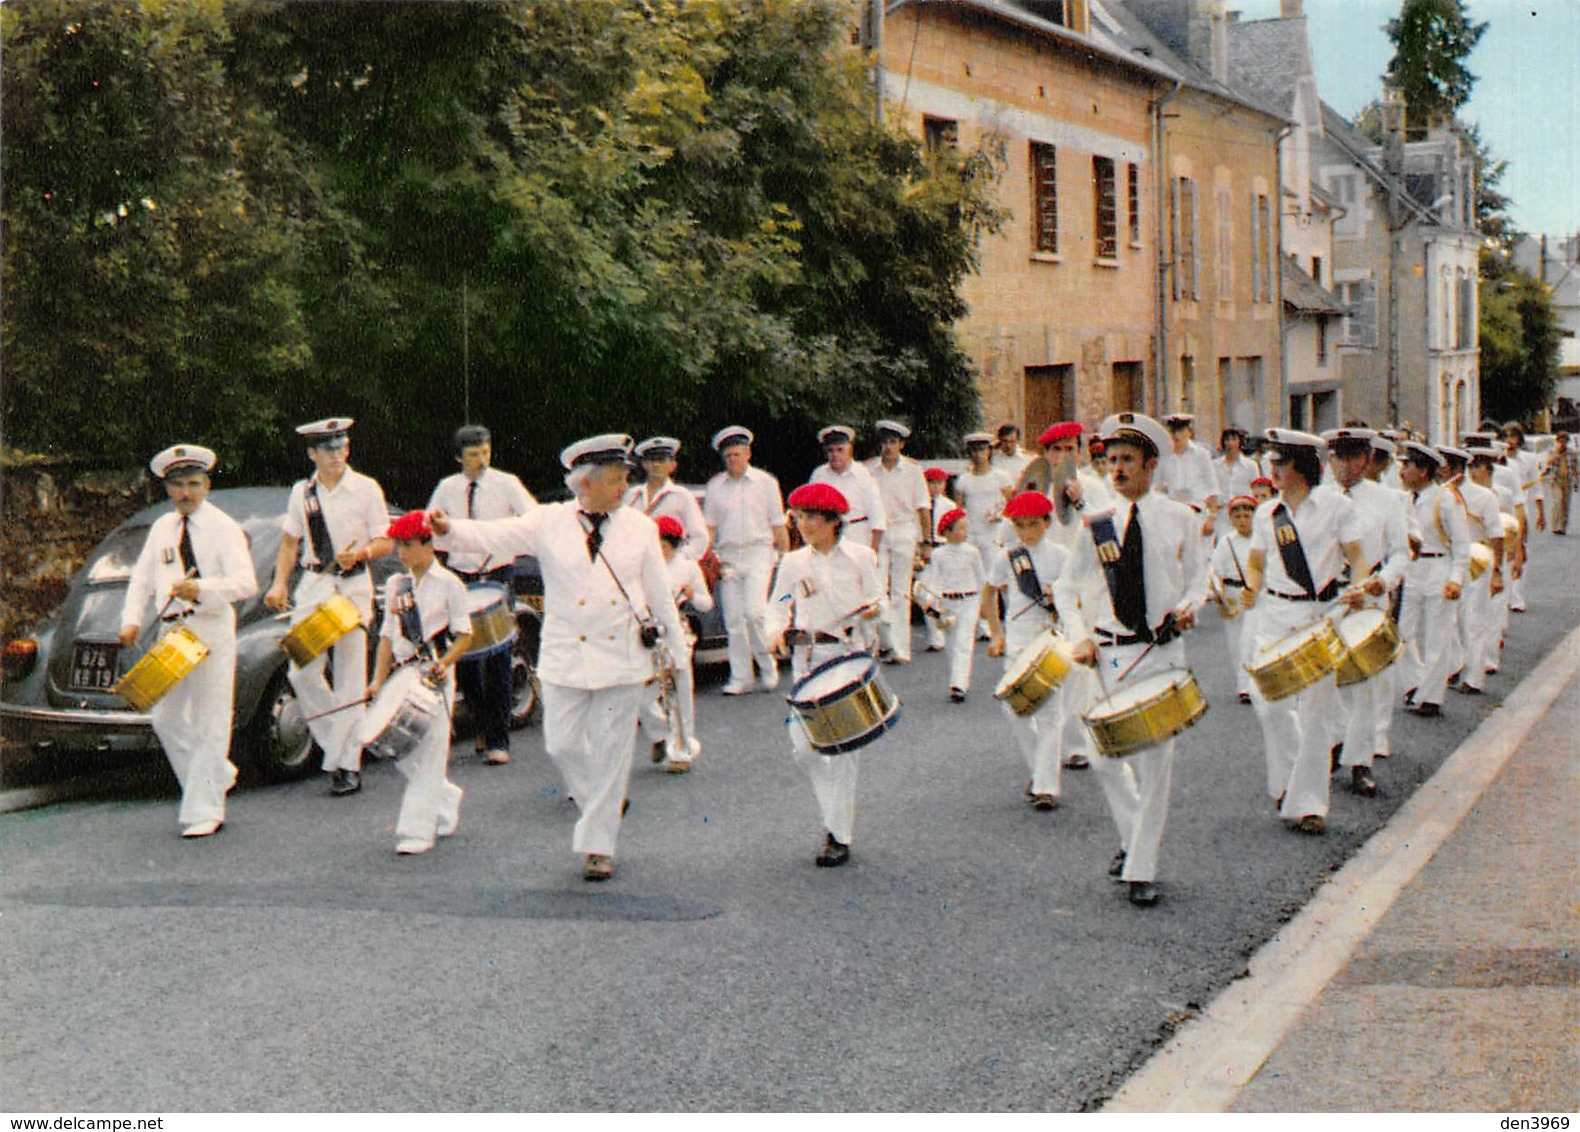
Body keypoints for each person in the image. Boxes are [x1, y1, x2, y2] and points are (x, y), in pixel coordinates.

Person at [432, 434, 686, 882]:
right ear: (583, 484)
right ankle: (602, 806)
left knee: (611, 752)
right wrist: (449, 529)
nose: (623, 487)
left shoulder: (641, 527)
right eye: (613, 480)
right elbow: (496, 532)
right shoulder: (549, 521)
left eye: (625, 478)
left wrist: (677, 651)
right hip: (567, 654)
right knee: (562, 744)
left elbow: (659, 592)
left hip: (621, 655)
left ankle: (598, 846)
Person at [1053, 412, 1206, 906]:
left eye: (1127, 460)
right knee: (1102, 758)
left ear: (1150, 464)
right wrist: (1077, 634)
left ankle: (1141, 868)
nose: (1116, 469)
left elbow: (1202, 580)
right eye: (1111, 460)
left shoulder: (1182, 518)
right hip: (1108, 655)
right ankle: (1132, 835)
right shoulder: (1096, 525)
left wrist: (1190, 608)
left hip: (1159, 652)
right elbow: (1067, 586)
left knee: (1156, 764)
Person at [118, 445, 257, 838]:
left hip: (210, 625)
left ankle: (204, 809)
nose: (186, 493)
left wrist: (201, 589)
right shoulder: (162, 528)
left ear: (207, 485)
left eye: (194, 484)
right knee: (166, 717)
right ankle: (217, 773)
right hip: (173, 632)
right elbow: (142, 579)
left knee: (212, 719)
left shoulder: (223, 527)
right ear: (167, 488)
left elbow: (245, 583)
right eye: (177, 485)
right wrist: (130, 621)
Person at [1240, 429, 1370, 835]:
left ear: (1301, 464)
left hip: (1320, 614)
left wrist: (1360, 588)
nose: (1272, 469)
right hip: (1275, 613)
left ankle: (1310, 803)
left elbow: (1358, 557)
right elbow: (1258, 562)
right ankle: (1288, 780)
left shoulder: (1335, 506)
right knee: (1270, 704)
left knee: (1317, 713)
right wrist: (1250, 585)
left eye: (1280, 462)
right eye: (1272, 462)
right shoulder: (1266, 514)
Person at [264, 418, 393, 797]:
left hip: (352, 586)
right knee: (302, 670)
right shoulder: (301, 492)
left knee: (351, 676)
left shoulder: (366, 488)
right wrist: (279, 582)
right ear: (313, 454)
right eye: (329, 449)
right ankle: (339, 746)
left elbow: (386, 541)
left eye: (342, 446)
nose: (338, 454)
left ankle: (346, 765)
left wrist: (364, 553)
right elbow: (290, 543)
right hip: (315, 584)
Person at [766, 483, 884, 868]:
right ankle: (835, 824)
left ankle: (837, 834)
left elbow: (880, 600)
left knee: (844, 752)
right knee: (806, 749)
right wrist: (774, 633)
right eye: (798, 517)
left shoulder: (861, 557)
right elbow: (779, 604)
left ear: (834, 521)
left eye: (811, 517)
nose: (803, 525)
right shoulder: (793, 562)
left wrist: (872, 612)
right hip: (808, 658)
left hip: (848, 656)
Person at [428, 424, 537, 766]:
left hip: (497, 572)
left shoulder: (506, 483)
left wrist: (510, 543)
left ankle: (498, 738)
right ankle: (481, 724)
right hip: (461, 576)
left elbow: (533, 519)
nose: (481, 460)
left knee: (499, 655)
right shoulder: (447, 488)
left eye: (486, 452)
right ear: (459, 457)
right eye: (474, 454)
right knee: (466, 658)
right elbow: (431, 525)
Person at [367, 511, 473, 855]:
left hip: (435, 674)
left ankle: (416, 831)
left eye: (408, 545)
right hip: (403, 674)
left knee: (429, 753)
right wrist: (377, 681)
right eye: (398, 545)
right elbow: (386, 636)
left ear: (429, 545)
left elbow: (464, 636)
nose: (401, 553)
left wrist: (443, 665)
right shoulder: (397, 584)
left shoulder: (450, 585)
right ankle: (445, 798)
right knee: (404, 753)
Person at [1320, 428, 1410, 794]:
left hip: (1368, 597)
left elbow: (1402, 553)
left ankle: (1360, 761)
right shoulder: (1317, 497)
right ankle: (1330, 745)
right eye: (1339, 457)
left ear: (1367, 459)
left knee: (1368, 684)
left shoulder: (1388, 501)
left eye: (1354, 457)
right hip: (1328, 599)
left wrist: (1382, 582)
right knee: (1326, 681)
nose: (1346, 465)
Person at [984, 491, 1071, 811]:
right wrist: (996, 634)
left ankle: (1046, 786)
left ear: (1047, 523)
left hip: (1050, 638)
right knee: (1014, 711)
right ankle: (1040, 769)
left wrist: (1057, 598)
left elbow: (1076, 599)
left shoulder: (1061, 556)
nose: (1027, 532)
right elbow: (989, 593)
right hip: (1018, 640)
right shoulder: (1007, 557)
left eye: (1033, 524)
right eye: (1020, 525)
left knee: (1050, 715)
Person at [703, 426, 789, 695]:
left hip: (758, 553)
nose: (733, 460)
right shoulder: (715, 486)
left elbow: (778, 524)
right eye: (728, 456)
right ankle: (741, 676)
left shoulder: (766, 483)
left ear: (748, 453)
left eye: (737, 454)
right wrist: (707, 558)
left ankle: (767, 665)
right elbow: (710, 528)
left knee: (755, 613)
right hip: (729, 557)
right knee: (733, 620)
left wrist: (785, 558)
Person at [1394, 442, 1470, 719]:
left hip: (1439, 565)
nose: (1402, 471)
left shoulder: (1444, 499)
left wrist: (1456, 578)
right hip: (1414, 569)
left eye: (1408, 466)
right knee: (1403, 632)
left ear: (1424, 471)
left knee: (1438, 635)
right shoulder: (1404, 499)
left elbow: (1462, 544)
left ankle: (1431, 697)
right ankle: (1415, 683)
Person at [638, 515, 711, 772]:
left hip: (677, 633)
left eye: (664, 545)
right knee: (641, 693)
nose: (659, 551)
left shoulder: (688, 568)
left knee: (680, 692)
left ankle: (681, 750)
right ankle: (659, 733)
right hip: (646, 634)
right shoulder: (639, 567)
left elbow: (706, 603)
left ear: (674, 544)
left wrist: (693, 596)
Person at [865, 420, 931, 664]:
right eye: (884, 442)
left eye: (893, 442)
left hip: (904, 530)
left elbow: (923, 507)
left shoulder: (913, 471)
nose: (888, 447)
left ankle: (901, 649)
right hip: (880, 532)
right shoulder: (870, 470)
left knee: (901, 592)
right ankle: (882, 643)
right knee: (876, 588)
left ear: (901, 444)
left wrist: (927, 541)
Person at [914, 507, 984, 701]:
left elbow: (981, 579)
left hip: (970, 600)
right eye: (960, 528)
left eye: (965, 527)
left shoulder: (972, 552)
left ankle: (958, 685)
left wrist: (985, 603)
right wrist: (931, 602)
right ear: (947, 532)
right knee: (952, 644)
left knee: (964, 642)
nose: (965, 532)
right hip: (948, 602)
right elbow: (935, 580)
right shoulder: (939, 555)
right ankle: (959, 679)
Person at [1461, 445, 1514, 694]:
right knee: (1460, 620)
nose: (1471, 472)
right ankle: (1460, 666)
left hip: (1482, 560)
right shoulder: (1454, 494)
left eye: (1474, 467)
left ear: (1484, 469)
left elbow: (1498, 534)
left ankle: (1476, 675)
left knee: (1479, 620)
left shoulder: (1491, 497)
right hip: (1461, 560)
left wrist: (1498, 570)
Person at [956, 431, 1014, 638]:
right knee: (979, 581)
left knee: (1001, 579)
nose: (978, 454)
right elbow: (960, 509)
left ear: (989, 451)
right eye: (974, 450)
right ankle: (985, 626)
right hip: (973, 535)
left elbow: (1012, 504)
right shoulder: (964, 480)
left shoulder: (1001, 477)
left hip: (995, 535)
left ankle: (1012, 621)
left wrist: (999, 514)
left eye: (982, 449)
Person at [1208, 495, 1257, 704]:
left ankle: (1253, 682)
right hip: (1232, 593)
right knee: (1236, 641)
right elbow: (1213, 570)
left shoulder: (1261, 540)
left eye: (1247, 515)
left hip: (1254, 593)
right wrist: (1218, 592)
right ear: (1231, 519)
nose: (1243, 520)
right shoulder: (1226, 542)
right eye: (1237, 516)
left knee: (1253, 638)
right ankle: (1243, 684)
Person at [627, 436, 709, 560]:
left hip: (669, 563)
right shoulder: (631, 495)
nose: (656, 464)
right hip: (636, 562)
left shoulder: (682, 496)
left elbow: (700, 537)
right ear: (644, 464)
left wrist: (679, 558)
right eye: (651, 460)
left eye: (661, 460)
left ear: (673, 465)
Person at [810, 425, 885, 553]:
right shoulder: (819, 475)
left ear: (849, 450)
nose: (835, 455)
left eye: (840, 450)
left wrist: (873, 551)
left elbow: (877, 516)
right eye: (830, 450)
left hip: (856, 535)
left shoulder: (863, 475)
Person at [1155, 414, 1219, 539]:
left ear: (1189, 432)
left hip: (1197, 514)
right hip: (1172, 515)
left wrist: (1211, 518)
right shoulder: (1163, 456)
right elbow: (1157, 487)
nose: (1177, 436)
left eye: (1181, 431)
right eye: (1173, 431)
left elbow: (1212, 488)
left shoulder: (1201, 454)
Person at [921, 467, 957, 652]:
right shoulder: (920, 505)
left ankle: (947, 628)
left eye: (939, 483)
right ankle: (935, 637)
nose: (935, 487)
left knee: (945, 592)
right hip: (927, 550)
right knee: (925, 593)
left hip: (944, 548)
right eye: (931, 483)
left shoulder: (949, 505)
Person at [1213, 426, 1259, 516]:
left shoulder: (1250, 465)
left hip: (1243, 512)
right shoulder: (1215, 465)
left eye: (1234, 439)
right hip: (1221, 513)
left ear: (1240, 441)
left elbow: (1256, 490)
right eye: (1227, 440)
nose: (1230, 443)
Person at [1543, 432, 1575, 535]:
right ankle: (1555, 526)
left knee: (1565, 504)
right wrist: (1554, 457)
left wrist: (1575, 481)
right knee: (1557, 502)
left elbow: (1575, 468)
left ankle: (1562, 527)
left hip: (1567, 480)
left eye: (1564, 441)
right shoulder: (1552, 452)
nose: (1562, 444)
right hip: (1556, 480)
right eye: (1560, 441)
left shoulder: (1571, 453)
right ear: (1557, 441)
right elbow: (1546, 464)